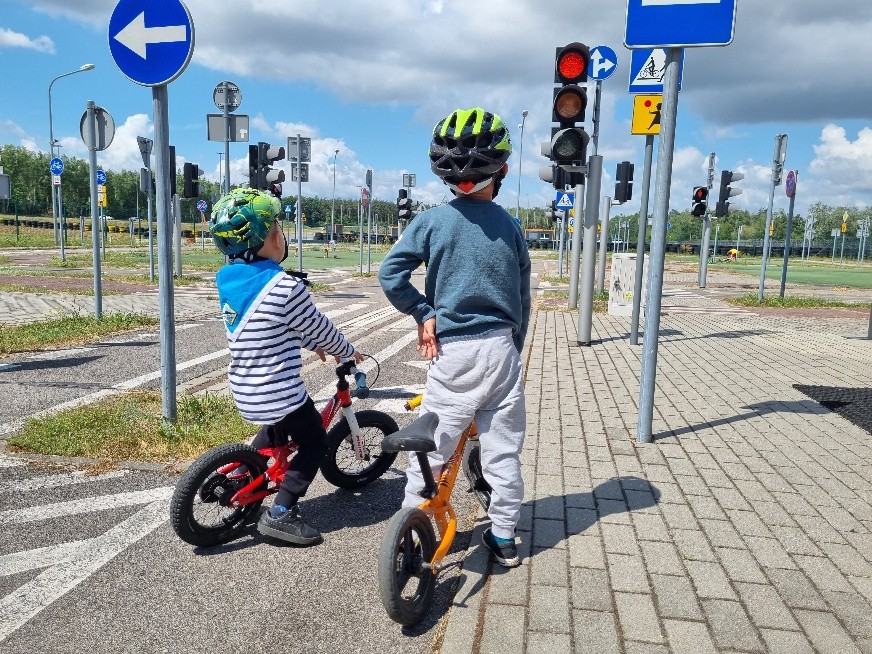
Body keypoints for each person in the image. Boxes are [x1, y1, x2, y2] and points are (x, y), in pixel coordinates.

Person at [378, 107, 531, 567]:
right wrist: (512, 346)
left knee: (434, 442)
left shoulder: (430, 222)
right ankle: (504, 538)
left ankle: (412, 524)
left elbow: (391, 275)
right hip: (501, 348)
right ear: (502, 170)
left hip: (453, 350)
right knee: (503, 451)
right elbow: (522, 298)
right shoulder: (512, 226)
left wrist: (423, 312)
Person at [208, 187, 364, 546]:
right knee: (315, 442)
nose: (282, 233)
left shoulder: (228, 280)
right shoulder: (284, 286)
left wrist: (309, 343)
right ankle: (281, 512)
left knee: (275, 430)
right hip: (278, 390)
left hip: (245, 386)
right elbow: (318, 327)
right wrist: (345, 350)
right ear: (266, 238)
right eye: (276, 226)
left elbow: (269, 326)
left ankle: (246, 473)